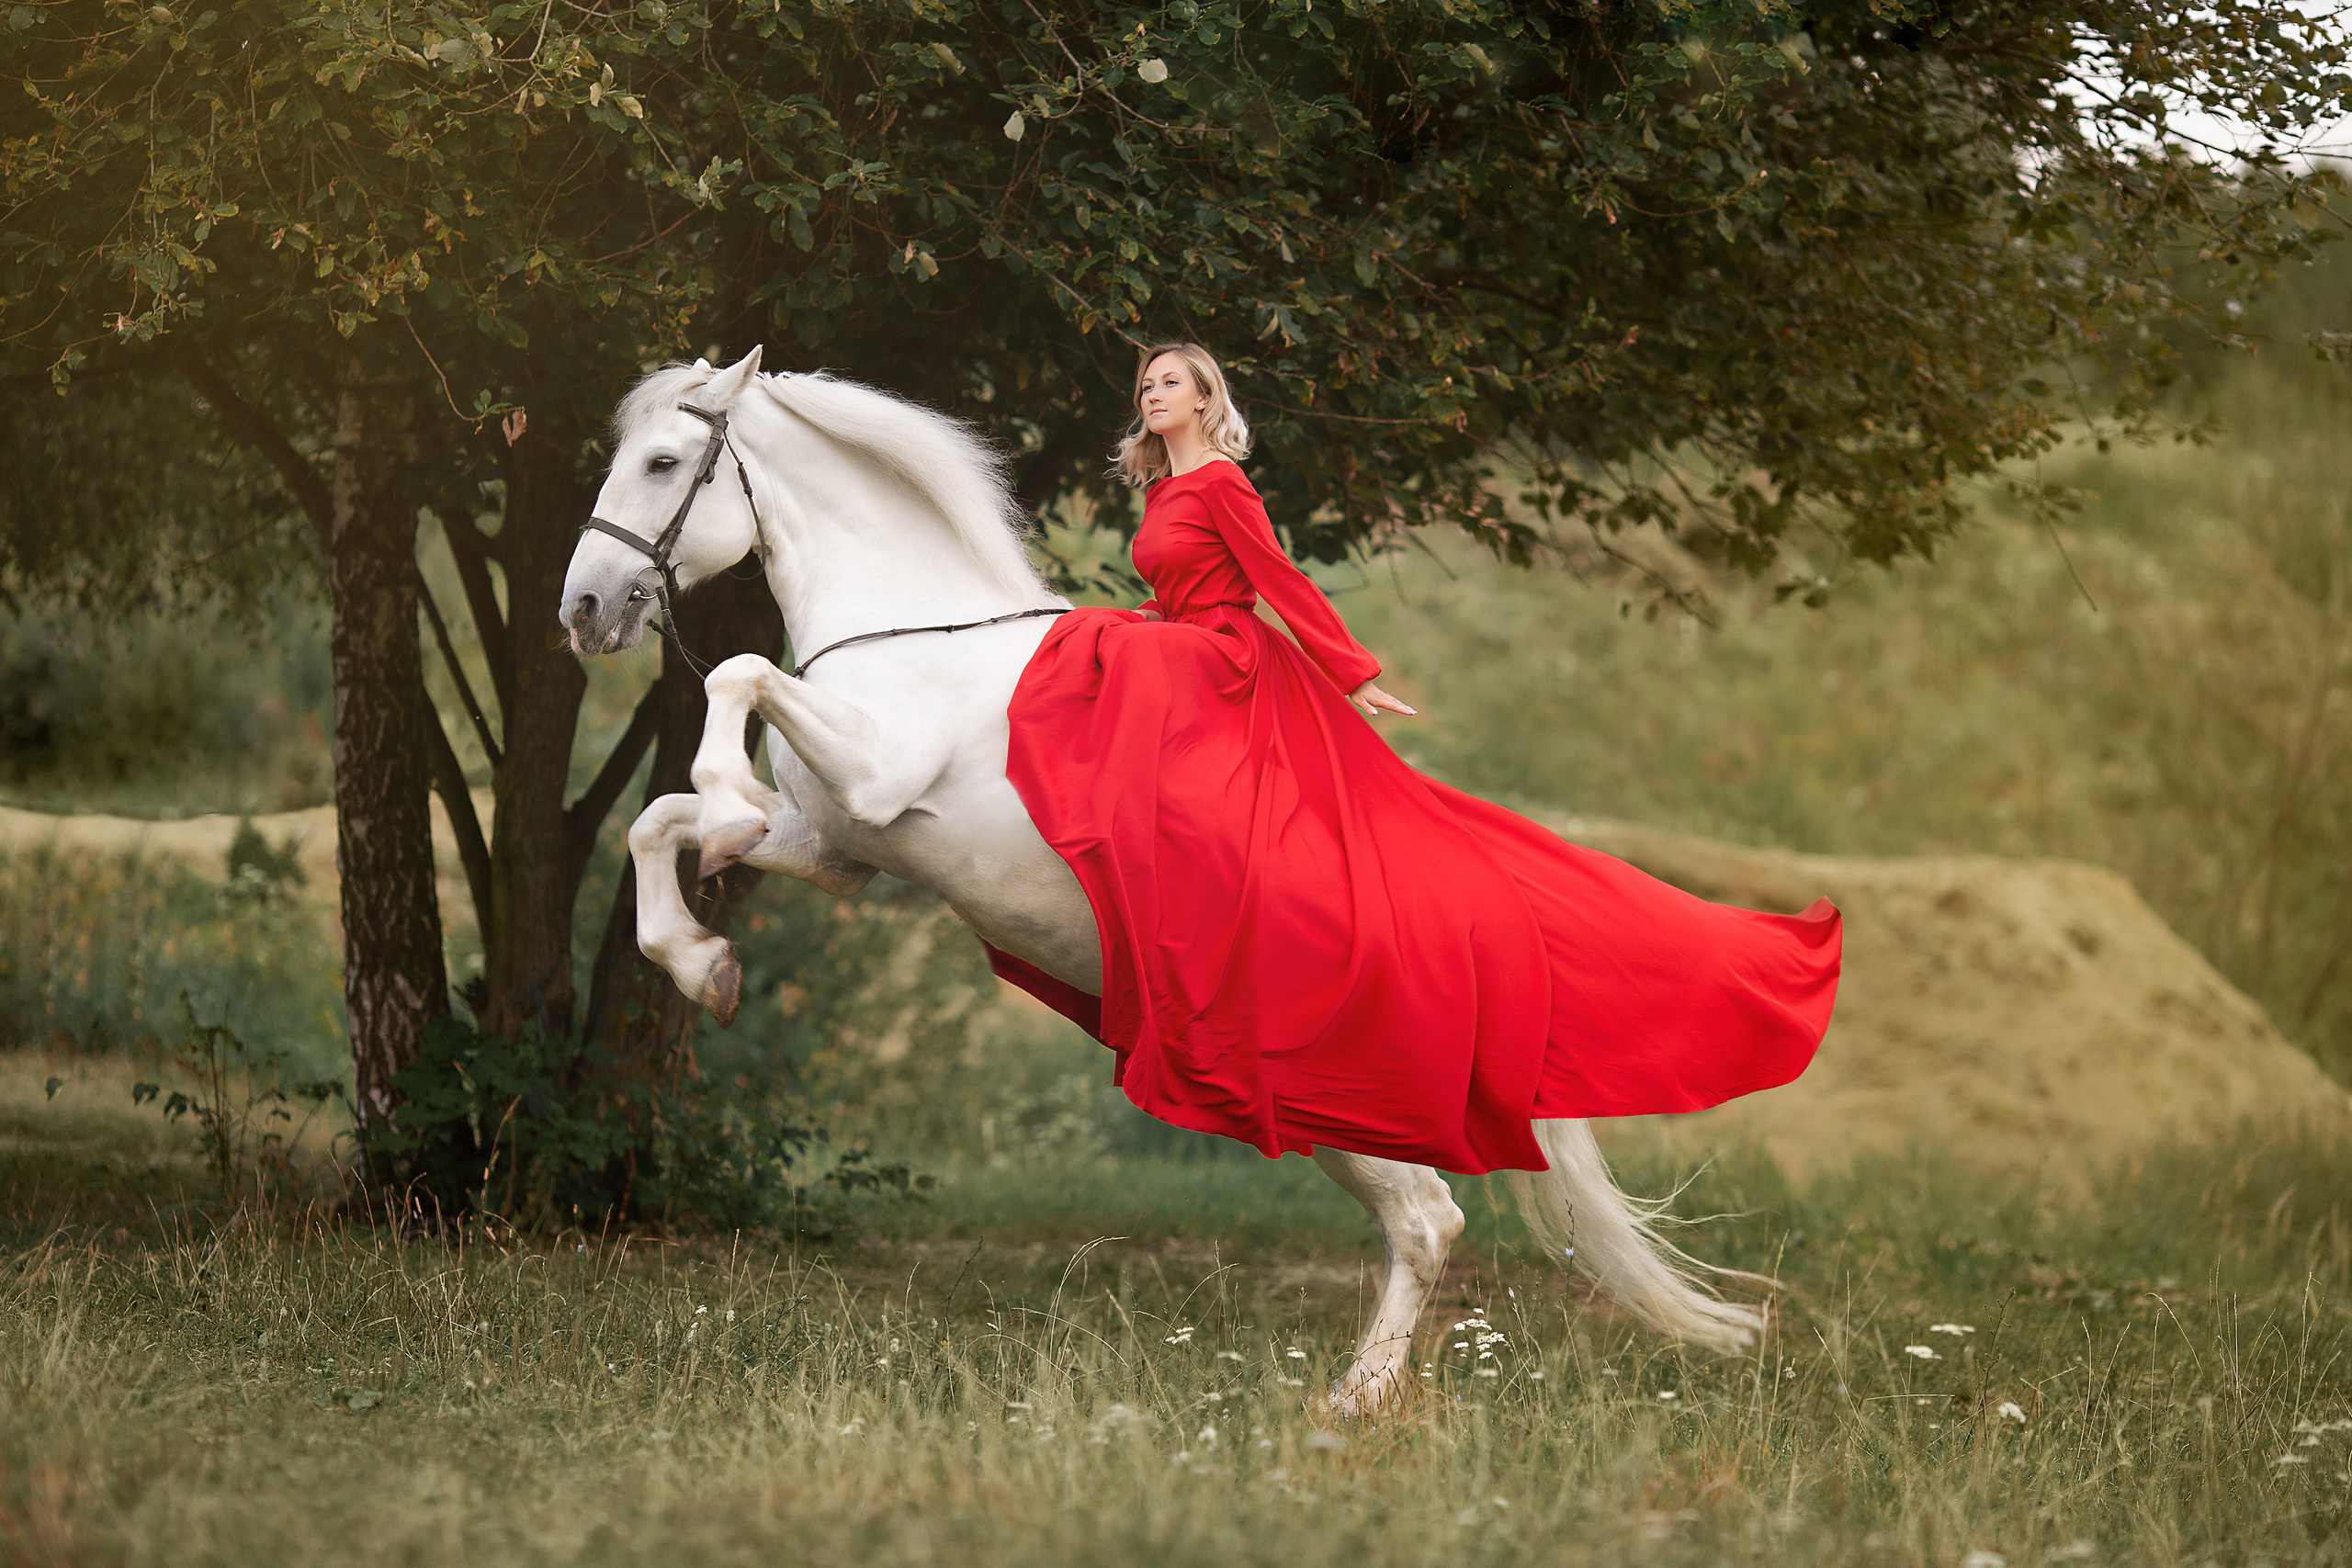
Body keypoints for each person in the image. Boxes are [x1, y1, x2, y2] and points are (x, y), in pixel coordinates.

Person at [988, 342, 1841, 1176]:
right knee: (1102, 652)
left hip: (1228, 664)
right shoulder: (1165, 487)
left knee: (1118, 674)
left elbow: (1282, 580)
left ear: (1206, 399)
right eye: (1145, 384)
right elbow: (1175, 583)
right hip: (1183, 649)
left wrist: (1352, 673)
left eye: (1170, 382)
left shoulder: (1220, 481)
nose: (1152, 393)